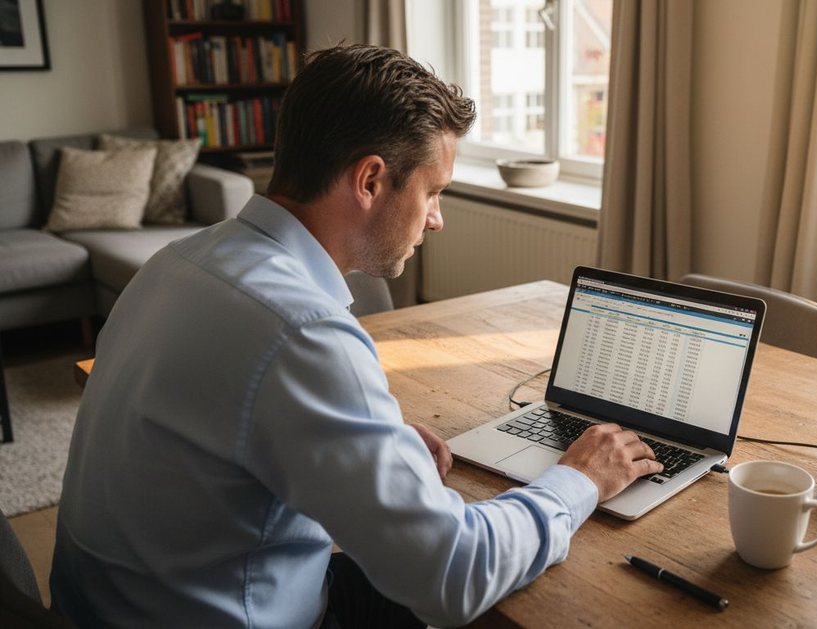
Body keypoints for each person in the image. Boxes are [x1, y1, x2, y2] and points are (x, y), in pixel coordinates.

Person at [50, 45, 662, 628]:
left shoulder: (177, 262)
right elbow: (454, 577)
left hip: (112, 607)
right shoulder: (305, 332)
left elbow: (222, 420)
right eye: (433, 191)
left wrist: (371, 445)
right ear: (370, 180)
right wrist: (579, 478)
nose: (437, 218)